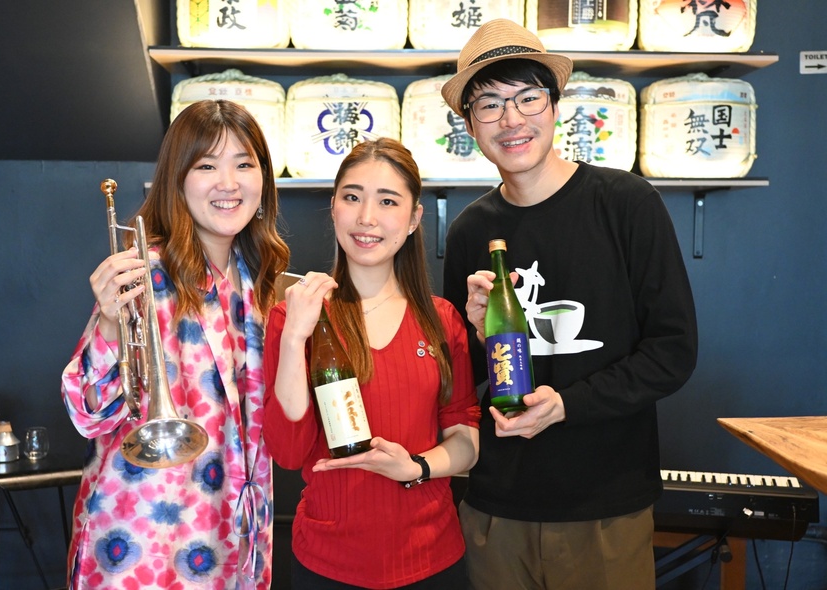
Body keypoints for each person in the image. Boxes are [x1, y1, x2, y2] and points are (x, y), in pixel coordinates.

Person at [439, 19, 698, 590]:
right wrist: (480, 339)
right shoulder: (468, 232)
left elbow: (672, 352)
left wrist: (567, 406)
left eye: (528, 97)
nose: (512, 119)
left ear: (554, 105)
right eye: (489, 105)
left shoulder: (627, 204)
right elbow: (466, 383)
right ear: (469, 124)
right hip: (495, 505)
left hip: (605, 502)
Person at [60, 99, 290, 589]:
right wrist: (106, 321)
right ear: (177, 179)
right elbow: (88, 413)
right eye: (206, 165)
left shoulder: (262, 281)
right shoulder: (144, 270)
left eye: (244, 164)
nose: (228, 183)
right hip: (142, 538)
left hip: (237, 532)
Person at [262, 138, 481, 589]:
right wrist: (295, 337)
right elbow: (286, 452)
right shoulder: (296, 314)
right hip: (327, 562)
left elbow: (465, 436)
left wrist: (415, 467)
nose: (367, 218)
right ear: (334, 207)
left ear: (415, 217)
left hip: (433, 557)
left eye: (387, 201)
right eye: (352, 197)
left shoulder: (441, 320)